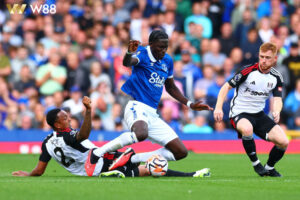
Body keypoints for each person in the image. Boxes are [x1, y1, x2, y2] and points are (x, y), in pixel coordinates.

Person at [84, 30, 213, 175]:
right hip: (136, 106)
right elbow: (128, 63)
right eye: (160, 47)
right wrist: (128, 53)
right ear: (151, 44)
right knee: (140, 134)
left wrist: (190, 104)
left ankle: (131, 159)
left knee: (180, 152)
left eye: (166, 47)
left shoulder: (167, 61)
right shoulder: (142, 53)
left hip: (152, 114)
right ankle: (97, 153)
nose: (163, 51)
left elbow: (170, 87)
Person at [11, 97, 210, 178]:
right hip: (98, 164)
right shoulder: (68, 136)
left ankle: (190, 172)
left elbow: (39, 169)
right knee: (152, 167)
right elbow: (84, 135)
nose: (69, 118)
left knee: (138, 158)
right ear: (57, 124)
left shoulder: (47, 142)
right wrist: (88, 111)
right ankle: (191, 176)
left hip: (91, 167)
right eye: (65, 117)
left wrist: (29, 175)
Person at [213, 42, 289, 177]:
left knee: (283, 142)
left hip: (259, 114)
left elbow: (277, 99)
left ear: (275, 59)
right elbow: (226, 87)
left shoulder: (277, 77)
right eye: (261, 57)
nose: (264, 61)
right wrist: (218, 107)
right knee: (247, 129)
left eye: (267, 58)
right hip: (239, 112)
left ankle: (269, 168)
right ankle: (256, 164)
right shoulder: (247, 71)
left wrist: (276, 111)